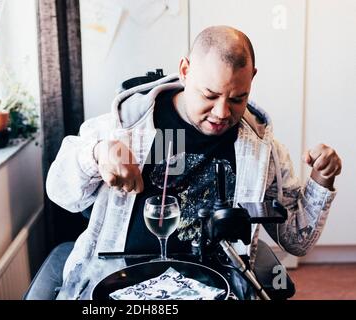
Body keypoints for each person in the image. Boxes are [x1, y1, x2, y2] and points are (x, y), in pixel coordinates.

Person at [46, 25, 342, 299]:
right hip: (120, 280)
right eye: (210, 95)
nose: (222, 113)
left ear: (252, 78)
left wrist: (321, 180)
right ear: (185, 71)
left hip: (218, 284)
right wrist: (98, 154)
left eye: (238, 98)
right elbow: (61, 192)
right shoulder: (125, 125)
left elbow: (296, 241)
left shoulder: (264, 151)